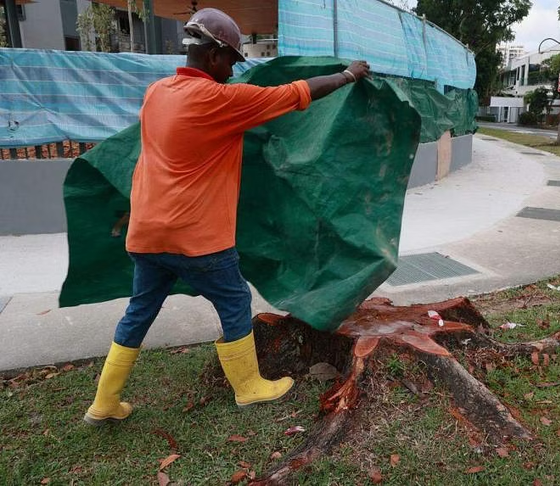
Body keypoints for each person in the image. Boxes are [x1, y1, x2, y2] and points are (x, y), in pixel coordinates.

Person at [84, 7, 370, 426]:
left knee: (139, 311)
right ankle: (249, 386)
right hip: (195, 236)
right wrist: (347, 75)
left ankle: (104, 402)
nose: (235, 71)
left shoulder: (157, 93)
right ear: (215, 56)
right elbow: (296, 93)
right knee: (234, 299)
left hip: (147, 234)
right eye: (233, 61)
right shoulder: (220, 100)